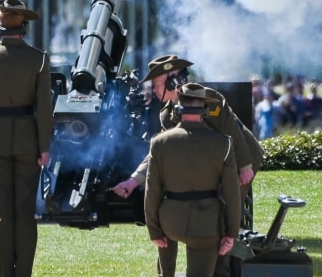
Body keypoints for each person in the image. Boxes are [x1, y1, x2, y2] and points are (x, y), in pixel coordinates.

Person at [113, 54, 263, 277]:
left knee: (221, 218)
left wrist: (244, 167)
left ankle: (219, 272)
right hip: (213, 162)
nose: (153, 90)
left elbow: (232, 130)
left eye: (157, 84)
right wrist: (134, 179)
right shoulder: (168, 113)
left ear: (173, 82)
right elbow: (159, 151)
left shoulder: (206, 99)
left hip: (243, 159)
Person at [0, 0, 53, 277]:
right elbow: (44, 109)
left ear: (0, 25)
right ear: (25, 27)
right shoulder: (38, 59)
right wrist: (45, 147)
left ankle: (5, 272)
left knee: (3, 211)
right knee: (25, 210)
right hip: (29, 142)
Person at [145, 82, 240, 277]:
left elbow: (152, 190)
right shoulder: (223, 144)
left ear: (178, 109)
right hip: (206, 225)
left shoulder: (159, 142)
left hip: (170, 222)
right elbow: (232, 194)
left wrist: (155, 230)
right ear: (204, 110)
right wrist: (231, 234)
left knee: (166, 272)